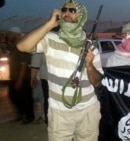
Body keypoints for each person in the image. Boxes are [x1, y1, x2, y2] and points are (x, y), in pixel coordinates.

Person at [17, 0, 103, 140]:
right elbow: (22, 47)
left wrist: (90, 66)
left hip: (88, 112)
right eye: (64, 9)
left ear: (81, 16)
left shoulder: (91, 46)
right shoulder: (50, 39)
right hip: (59, 113)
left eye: (72, 10)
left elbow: (97, 82)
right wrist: (49, 24)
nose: (67, 13)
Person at [7, 27, 34, 124]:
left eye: (11, 34)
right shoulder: (14, 47)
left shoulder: (23, 46)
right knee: (13, 95)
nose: (9, 36)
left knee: (26, 98)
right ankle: (20, 114)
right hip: (14, 77)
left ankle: (29, 116)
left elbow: (24, 65)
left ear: (16, 35)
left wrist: (20, 80)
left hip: (23, 78)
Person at [30, 53, 49, 124]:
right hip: (54, 77)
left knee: (45, 100)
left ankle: (47, 119)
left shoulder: (38, 50)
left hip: (45, 77)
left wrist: (32, 77)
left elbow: (35, 65)